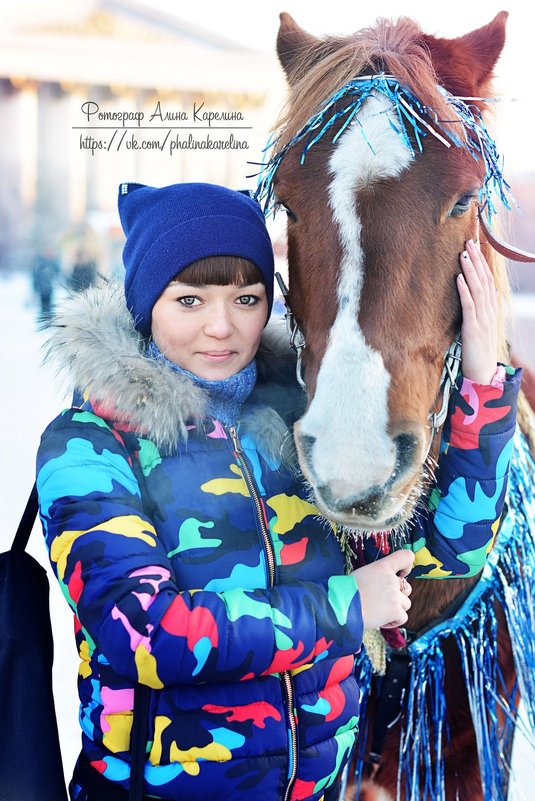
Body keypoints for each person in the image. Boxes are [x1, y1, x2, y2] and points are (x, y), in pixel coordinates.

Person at [36, 183, 520, 801]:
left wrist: (482, 387)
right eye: (189, 300)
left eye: (245, 298)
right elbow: (144, 635)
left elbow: (446, 555)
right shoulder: (90, 446)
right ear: (144, 302)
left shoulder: (291, 425)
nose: (221, 327)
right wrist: (345, 608)